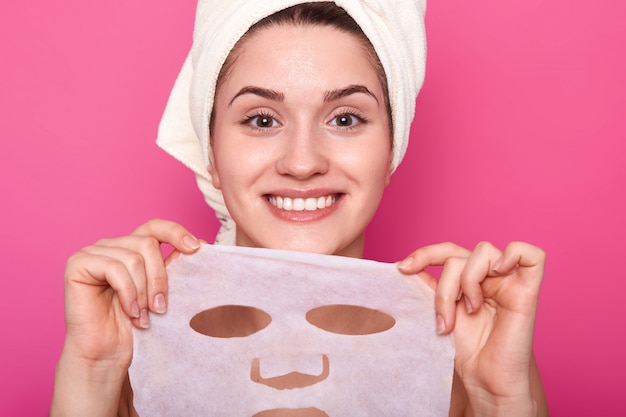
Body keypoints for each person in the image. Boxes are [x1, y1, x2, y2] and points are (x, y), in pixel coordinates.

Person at [50, 1, 549, 416]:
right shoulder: (132, 355)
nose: (303, 161)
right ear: (212, 156)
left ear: (392, 150)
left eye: (346, 118)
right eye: (263, 119)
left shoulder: (462, 356)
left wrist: (499, 398)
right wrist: (92, 374)